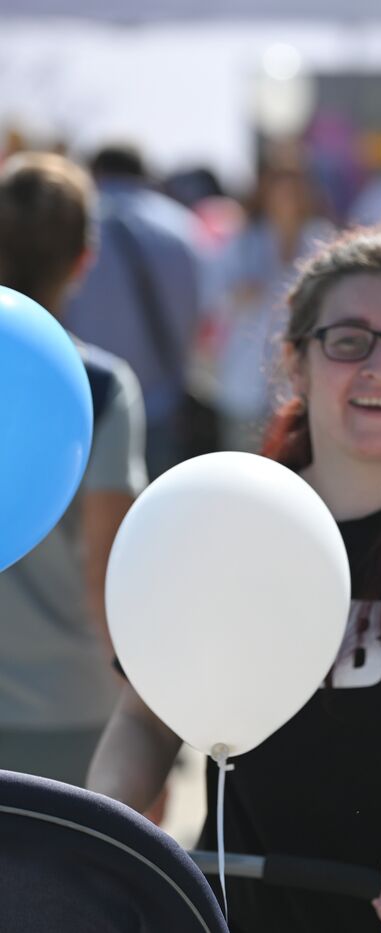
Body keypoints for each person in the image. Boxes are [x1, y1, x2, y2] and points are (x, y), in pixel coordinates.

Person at [87, 232, 381, 933]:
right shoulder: (221, 522)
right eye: (347, 341)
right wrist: (101, 836)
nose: (380, 365)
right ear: (297, 362)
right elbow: (144, 721)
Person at [0, 152, 147, 785]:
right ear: (83, 259)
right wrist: (144, 733)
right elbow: (105, 569)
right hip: (72, 708)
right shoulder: (103, 387)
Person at [63, 144, 206, 476]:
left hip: (88, 402)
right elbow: (199, 316)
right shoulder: (181, 226)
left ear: (95, 172)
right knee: (158, 519)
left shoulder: (78, 223)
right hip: (162, 405)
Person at [209, 140, 335, 450]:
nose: (287, 193)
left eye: (295, 184)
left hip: (303, 384)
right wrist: (240, 294)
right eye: (280, 184)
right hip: (244, 379)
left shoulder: (321, 238)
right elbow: (214, 297)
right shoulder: (244, 239)